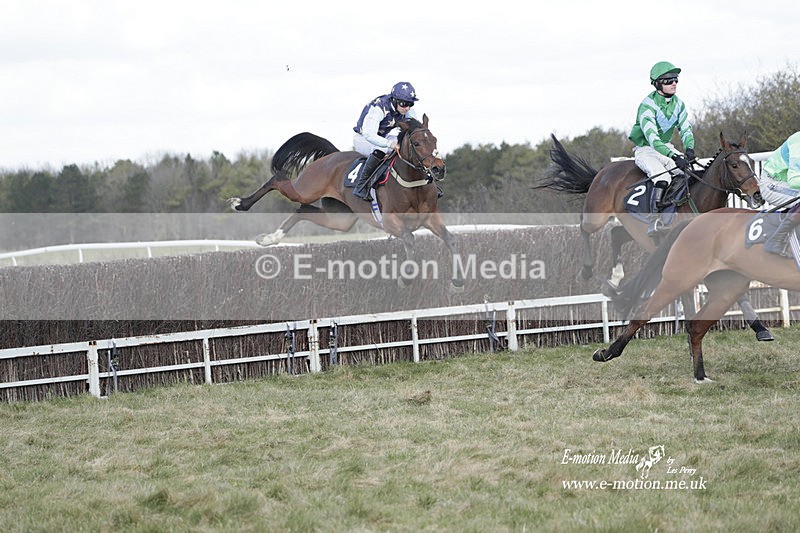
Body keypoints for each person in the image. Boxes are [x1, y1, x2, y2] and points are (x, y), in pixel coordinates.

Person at [629, 61, 697, 236]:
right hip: (646, 149)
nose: (673, 83)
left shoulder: (679, 104)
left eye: (675, 79)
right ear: (658, 84)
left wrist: (689, 149)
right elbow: (653, 139)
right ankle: (654, 220)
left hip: (666, 148)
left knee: (688, 174)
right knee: (663, 178)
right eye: (668, 80)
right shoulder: (647, 106)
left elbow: (686, 129)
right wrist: (675, 157)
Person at [351, 81, 420, 200]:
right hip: (363, 139)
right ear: (394, 100)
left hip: (382, 137)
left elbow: (416, 129)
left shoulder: (405, 109)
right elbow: (369, 134)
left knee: (406, 144)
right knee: (383, 147)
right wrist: (389, 144)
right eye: (404, 104)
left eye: (410, 104)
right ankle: (362, 186)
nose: (407, 108)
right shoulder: (379, 107)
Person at [758, 131, 800, 256]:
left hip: (786, 182)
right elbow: (794, 180)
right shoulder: (798, 141)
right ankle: (775, 240)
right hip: (772, 183)